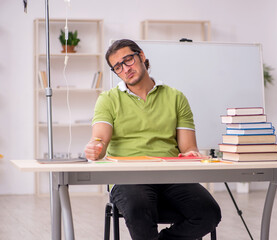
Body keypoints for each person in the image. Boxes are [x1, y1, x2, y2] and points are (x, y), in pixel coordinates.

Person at [84, 39, 221, 240]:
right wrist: (95, 148)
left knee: (208, 212)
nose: (125, 69)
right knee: (139, 207)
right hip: (128, 178)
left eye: (128, 60)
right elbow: (100, 141)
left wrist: (191, 154)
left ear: (142, 56)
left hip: (172, 176)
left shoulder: (176, 97)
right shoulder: (108, 99)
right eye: (118, 67)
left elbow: (188, 147)